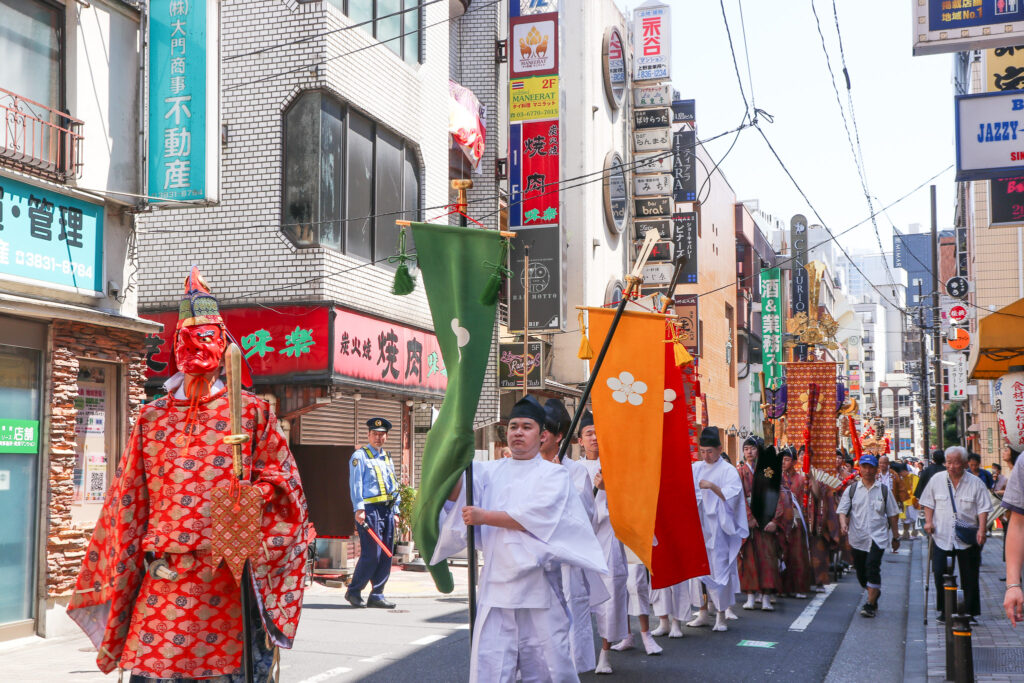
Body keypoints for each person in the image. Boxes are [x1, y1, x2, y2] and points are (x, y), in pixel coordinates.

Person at [68, 267, 314, 679]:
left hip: (226, 579)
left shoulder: (252, 413)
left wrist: (253, 500)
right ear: (175, 344)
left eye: (205, 338)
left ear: (222, 344)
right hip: (164, 573)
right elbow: (129, 497)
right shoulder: (152, 417)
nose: (195, 346)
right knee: (156, 670)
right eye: (186, 338)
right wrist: (136, 558)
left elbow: (287, 485)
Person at [432, 395, 607, 682]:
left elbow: (537, 518)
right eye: (513, 426)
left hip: (540, 586)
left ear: (542, 435)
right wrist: (453, 456)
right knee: (492, 665)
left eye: (527, 427)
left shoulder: (555, 476)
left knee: (550, 667)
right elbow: (456, 496)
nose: (518, 432)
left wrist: (485, 516)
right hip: (496, 585)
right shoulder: (488, 470)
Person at [540, 399, 606, 673]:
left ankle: (573, 671)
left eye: (543, 430)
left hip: (567, 562)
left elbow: (584, 515)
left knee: (571, 614)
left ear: (559, 437)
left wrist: (559, 479)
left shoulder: (576, 471)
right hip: (537, 561)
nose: (537, 436)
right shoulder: (527, 467)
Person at [578, 411, 630, 674]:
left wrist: (609, 489)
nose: (595, 438)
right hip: (582, 542)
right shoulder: (574, 469)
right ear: (580, 441)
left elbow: (626, 507)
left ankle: (604, 654)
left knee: (609, 599)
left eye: (598, 433)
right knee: (576, 598)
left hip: (608, 538)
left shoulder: (615, 466)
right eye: (589, 434)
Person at [687, 426, 748, 632]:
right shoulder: (696, 468)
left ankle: (721, 615)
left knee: (719, 569)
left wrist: (713, 487)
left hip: (719, 528)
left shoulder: (728, 470)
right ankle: (703, 611)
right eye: (702, 451)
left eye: (710, 451)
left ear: (720, 448)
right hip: (699, 526)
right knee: (698, 570)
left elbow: (733, 496)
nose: (706, 455)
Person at [921, 446, 992, 622]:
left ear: (966, 463)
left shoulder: (975, 483)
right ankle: (945, 610)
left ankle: (969, 612)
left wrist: (982, 529)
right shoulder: (937, 480)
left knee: (970, 574)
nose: (952, 466)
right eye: (949, 462)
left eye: (956, 462)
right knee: (940, 573)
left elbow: (983, 508)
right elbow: (928, 503)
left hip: (968, 536)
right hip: (941, 534)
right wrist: (929, 522)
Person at [837, 453, 901, 618]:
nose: (867, 470)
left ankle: (870, 604)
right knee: (861, 573)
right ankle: (874, 592)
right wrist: (843, 524)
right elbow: (842, 511)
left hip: (877, 537)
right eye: (864, 467)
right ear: (860, 469)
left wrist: (895, 536)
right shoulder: (852, 490)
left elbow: (893, 514)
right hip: (857, 537)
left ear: (876, 469)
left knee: (872, 567)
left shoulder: (884, 490)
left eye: (870, 467)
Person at [347, 417, 401, 609]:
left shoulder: (387, 457)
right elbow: (356, 484)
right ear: (368, 435)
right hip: (369, 511)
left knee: (386, 553)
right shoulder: (359, 457)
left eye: (382, 435)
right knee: (372, 553)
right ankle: (354, 591)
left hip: (386, 510)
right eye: (375, 434)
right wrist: (359, 509)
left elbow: (393, 484)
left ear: (386, 436)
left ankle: (377, 594)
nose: (378, 438)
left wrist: (396, 511)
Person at [737, 436, 783, 611]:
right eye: (746, 449)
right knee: (749, 559)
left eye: (753, 448)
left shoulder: (768, 470)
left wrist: (774, 520)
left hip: (766, 517)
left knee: (767, 559)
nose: (749, 452)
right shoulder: (740, 472)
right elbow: (738, 497)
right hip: (747, 520)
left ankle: (765, 596)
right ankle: (750, 595)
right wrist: (748, 517)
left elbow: (777, 494)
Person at [779, 450, 813, 597]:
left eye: (786, 459)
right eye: (781, 460)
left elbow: (812, 497)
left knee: (797, 555)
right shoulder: (777, 478)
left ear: (793, 462)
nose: (783, 463)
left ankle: (799, 587)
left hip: (796, 521)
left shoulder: (801, 479)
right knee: (782, 554)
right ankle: (782, 588)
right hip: (780, 520)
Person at [614, 562, 664, 655]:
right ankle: (626, 635)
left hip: (635, 549)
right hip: (614, 547)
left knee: (637, 585)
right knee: (619, 586)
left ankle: (646, 634)